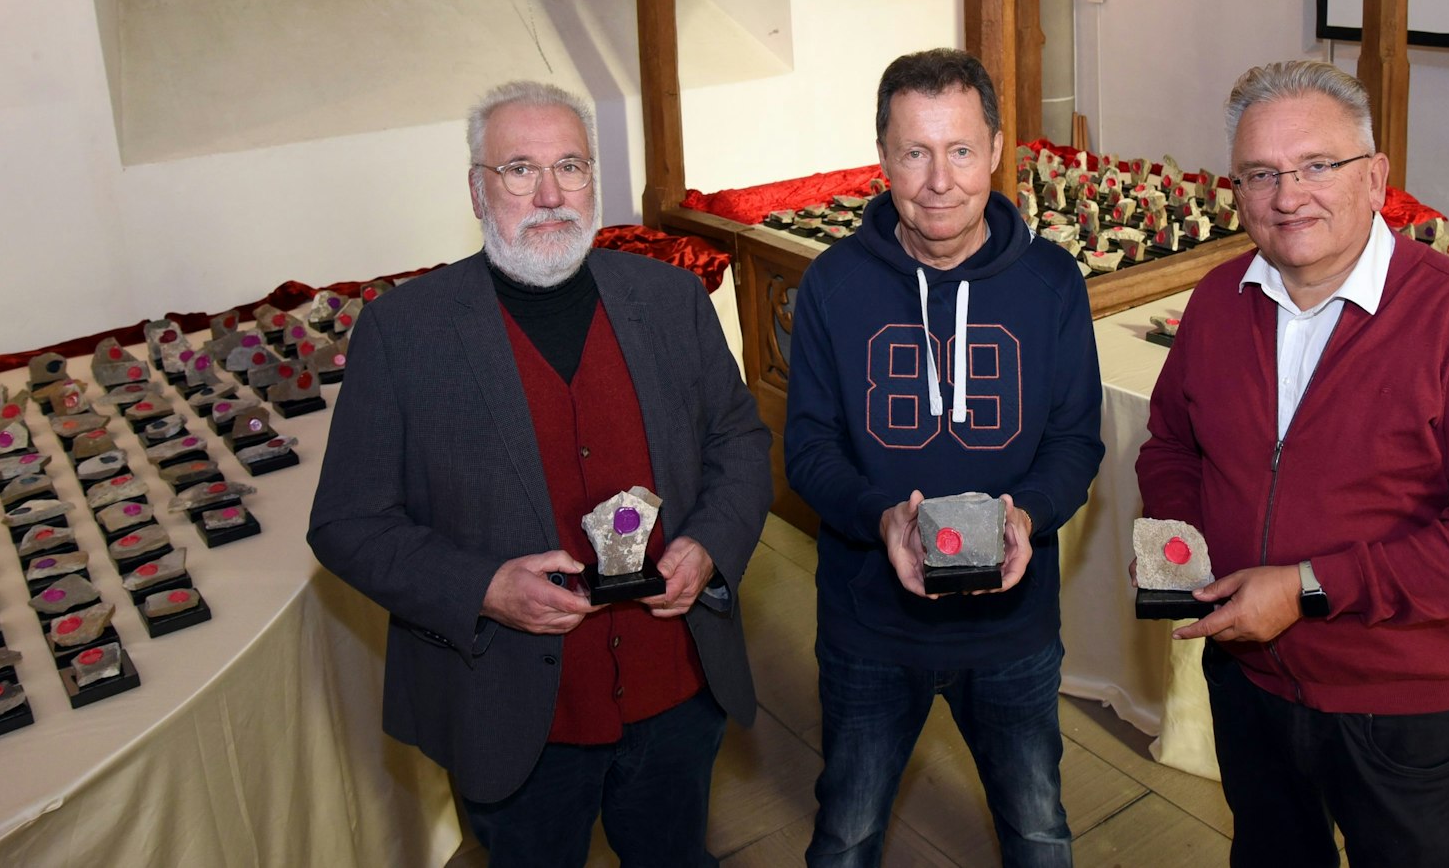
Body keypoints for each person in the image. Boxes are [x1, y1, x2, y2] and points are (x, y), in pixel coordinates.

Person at [308, 80, 773, 867]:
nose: (551, 194)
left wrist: (708, 547)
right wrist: (484, 587)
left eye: (570, 166)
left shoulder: (669, 298)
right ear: (477, 190)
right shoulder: (403, 331)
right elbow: (348, 522)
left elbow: (740, 440)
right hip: (515, 709)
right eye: (520, 169)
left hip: (675, 683)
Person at [1135, 60, 1449, 868]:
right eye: (1261, 173)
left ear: (1375, 178)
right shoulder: (1218, 300)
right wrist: (1179, 541)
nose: (1289, 196)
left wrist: (1307, 586)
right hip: (1249, 681)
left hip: (1399, 704)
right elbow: (1172, 443)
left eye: (1317, 165)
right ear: (1237, 190)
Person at [785, 48, 1104, 867]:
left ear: (995, 148)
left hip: (1011, 628)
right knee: (846, 835)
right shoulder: (832, 285)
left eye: (960, 150)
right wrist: (879, 518)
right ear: (882, 156)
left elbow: (1075, 439)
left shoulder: (1052, 281)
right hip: (869, 623)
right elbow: (809, 449)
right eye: (914, 152)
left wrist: (1029, 515)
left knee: (1038, 832)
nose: (938, 180)